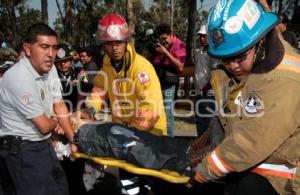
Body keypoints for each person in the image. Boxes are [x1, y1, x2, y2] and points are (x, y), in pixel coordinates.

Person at [191, 0, 300, 194]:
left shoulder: (283, 80)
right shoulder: (247, 67)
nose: (232, 66)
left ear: (260, 41)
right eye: (226, 58)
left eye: (240, 56)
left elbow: (249, 143)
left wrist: (204, 170)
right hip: (251, 169)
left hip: (283, 180)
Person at [90, 13, 167, 195]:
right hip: (124, 134)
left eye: (118, 42)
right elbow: (99, 90)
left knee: (150, 181)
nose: (114, 48)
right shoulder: (107, 65)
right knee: (129, 183)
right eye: (109, 43)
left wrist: (127, 135)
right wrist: (90, 109)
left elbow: (151, 109)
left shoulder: (140, 68)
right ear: (103, 45)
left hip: (150, 134)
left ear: (126, 41)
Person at [0, 23, 76, 195]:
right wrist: (55, 119)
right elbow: (43, 125)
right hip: (22, 150)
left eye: (54, 48)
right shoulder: (19, 78)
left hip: (42, 143)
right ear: (27, 49)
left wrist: (73, 140)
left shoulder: (50, 68)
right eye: (44, 47)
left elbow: (59, 104)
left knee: (61, 187)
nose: (51, 54)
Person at [153, 23, 186, 137]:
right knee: (156, 111)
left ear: (171, 35)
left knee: (168, 113)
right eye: (161, 39)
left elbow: (180, 66)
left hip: (169, 83)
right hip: (158, 82)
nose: (164, 41)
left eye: (165, 39)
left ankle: (170, 140)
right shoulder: (160, 45)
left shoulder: (179, 45)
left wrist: (165, 53)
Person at [193, 24, 219, 137]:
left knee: (207, 121)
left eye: (204, 36)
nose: (202, 38)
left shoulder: (213, 52)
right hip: (199, 92)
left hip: (208, 94)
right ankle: (201, 148)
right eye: (200, 36)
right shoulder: (200, 51)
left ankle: (207, 149)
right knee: (200, 121)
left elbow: (215, 73)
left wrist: (206, 88)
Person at [55, 41, 80, 111]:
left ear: (71, 60)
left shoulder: (80, 75)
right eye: (59, 61)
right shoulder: (51, 77)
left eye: (66, 60)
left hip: (74, 112)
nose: (62, 64)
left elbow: (85, 96)